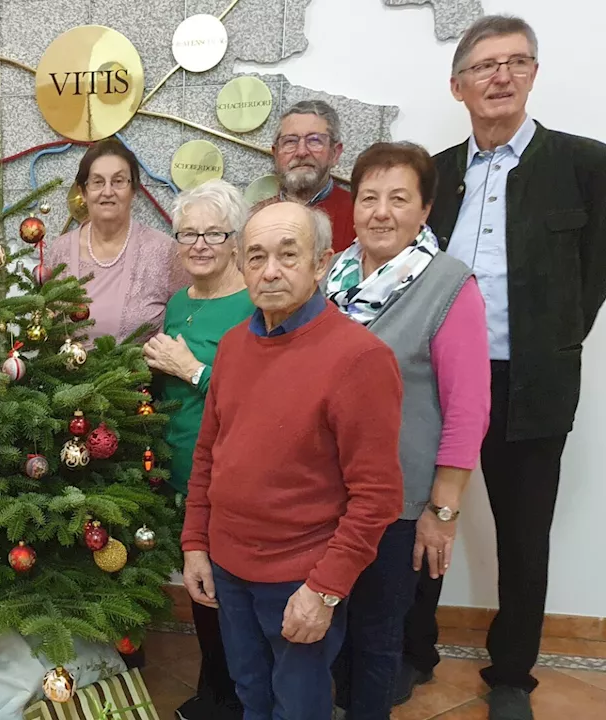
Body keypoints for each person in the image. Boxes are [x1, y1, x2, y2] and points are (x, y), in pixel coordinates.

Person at [402, 16, 606, 720]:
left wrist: (552, 341)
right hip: (438, 383)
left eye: (516, 62)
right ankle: (411, 650)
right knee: (419, 517)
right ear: (457, 86)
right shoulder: (436, 174)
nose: (501, 76)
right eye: (485, 66)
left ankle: (513, 673)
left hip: (531, 383)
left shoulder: (585, 164)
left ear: (533, 75)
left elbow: (593, 274)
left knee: (524, 533)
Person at [181, 201, 404, 720]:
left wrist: (325, 590)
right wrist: (195, 545)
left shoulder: (360, 359)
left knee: (298, 706)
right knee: (249, 693)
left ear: (321, 262)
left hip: (299, 576)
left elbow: (377, 496)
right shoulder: (234, 346)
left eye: (288, 254)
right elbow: (208, 455)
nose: (270, 270)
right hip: (229, 567)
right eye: (255, 257)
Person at [324, 142, 491, 720]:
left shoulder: (449, 285)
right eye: (369, 197)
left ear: (425, 211)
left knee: (375, 637)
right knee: (325, 630)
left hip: (397, 501)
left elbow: (468, 408)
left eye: (399, 198)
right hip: (324, 493)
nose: (381, 212)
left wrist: (442, 510)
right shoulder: (332, 276)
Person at [143, 180, 254, 720]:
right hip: (180, 468)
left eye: (214, 232)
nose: (200, 244)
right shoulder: (180, 300)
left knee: (229, 595)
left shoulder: (253, 304)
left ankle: (234, 697)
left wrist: (192, 370)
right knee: (201, 587)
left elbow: (261, 403)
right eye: (188, 233)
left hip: (230, 475)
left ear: (235, 240)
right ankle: (215, 690)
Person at [45, 138, 189, 342]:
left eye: (118, 181)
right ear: (83, 192)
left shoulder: (163, 250)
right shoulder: (60, 251)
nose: (107, 191)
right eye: (97, 182)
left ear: (134, 190)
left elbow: (189, 315)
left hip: (143, 372)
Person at [273, 100, 355, 253]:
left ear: (335, 153)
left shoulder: (359, 216)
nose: (301, 152)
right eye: (290, 141)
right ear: (276, 154)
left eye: (315, 140)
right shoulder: (256, 216)